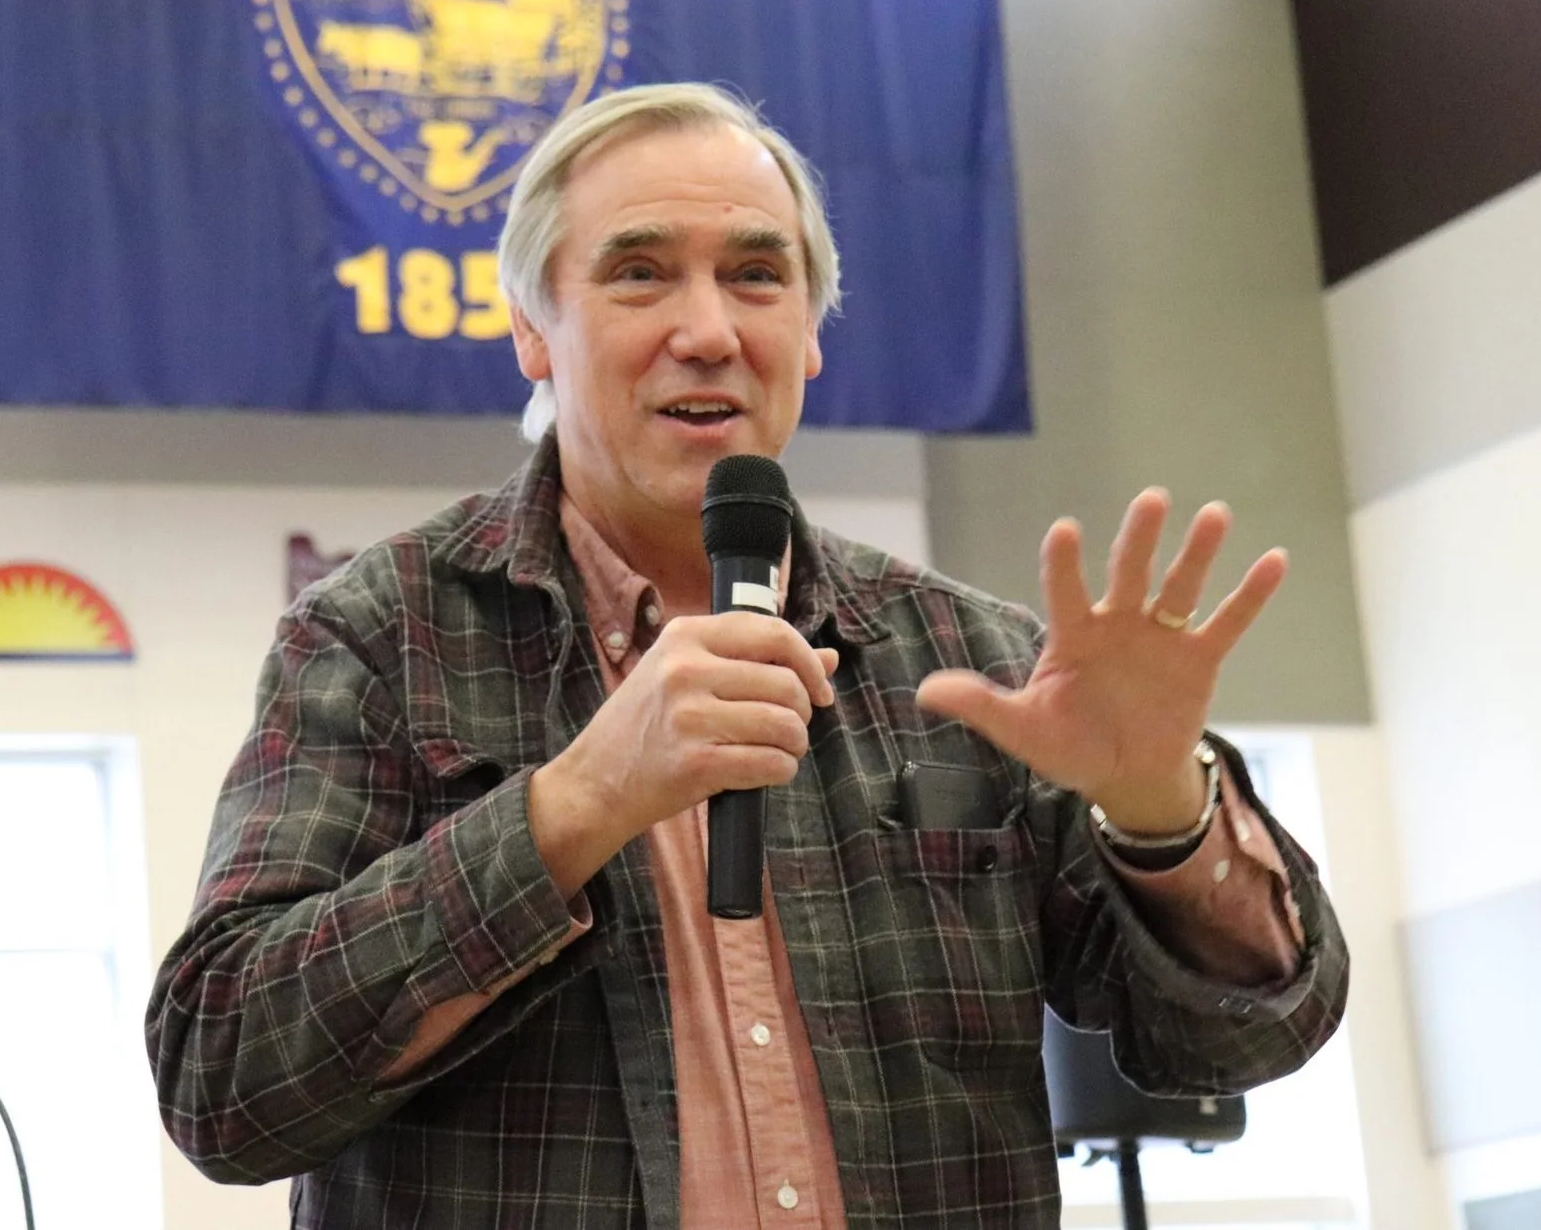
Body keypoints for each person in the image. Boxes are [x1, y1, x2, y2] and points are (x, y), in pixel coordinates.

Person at [147, 83, 1348, 1229]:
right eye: (638, 272)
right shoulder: (377, 635)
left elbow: (1241, 1040)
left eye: (757, 276)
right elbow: (223, 1078)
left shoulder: (971, 661)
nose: (709, 330)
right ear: (531, 328)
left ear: (809, 334)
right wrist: (574, 805)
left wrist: (1161, 817)